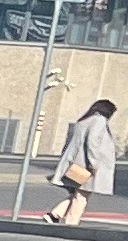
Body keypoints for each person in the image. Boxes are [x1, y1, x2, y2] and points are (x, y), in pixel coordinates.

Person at [50, 95, 121, 226]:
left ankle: (55, 214)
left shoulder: (84, 120)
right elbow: (93, 143)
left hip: (77, 164)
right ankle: (71, 222)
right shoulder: (99, 120)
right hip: (87, 165)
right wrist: (94, 163)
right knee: (82, 196)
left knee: (78, 193)